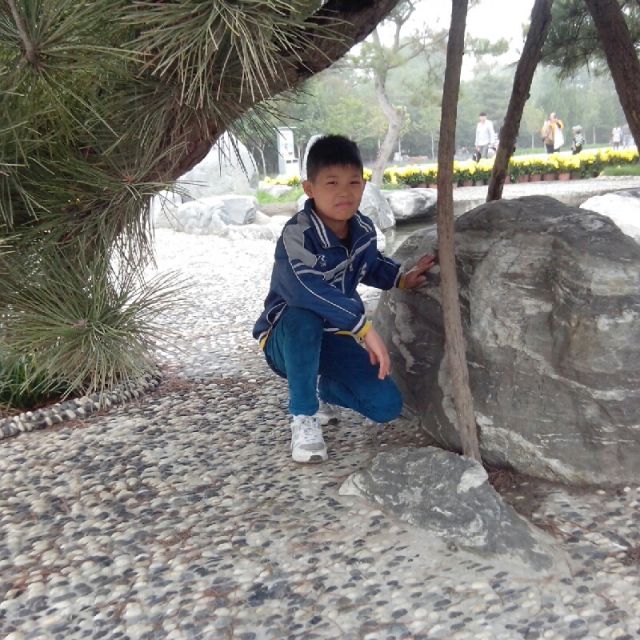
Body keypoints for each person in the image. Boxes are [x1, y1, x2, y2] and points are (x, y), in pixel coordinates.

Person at [253, 134, 437, 463]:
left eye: (353, 182)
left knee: (386, 406)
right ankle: (304, 415)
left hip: (334, 338)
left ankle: (323, 387)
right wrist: (363, 328)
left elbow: (370, 264)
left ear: (364, 186)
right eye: (332, 182)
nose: (344, 192)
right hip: (286, 341)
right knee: (303, 317)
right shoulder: (297, 234)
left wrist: (402, 278)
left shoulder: (362, 229)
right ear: (309, 189)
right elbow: (304, 288)